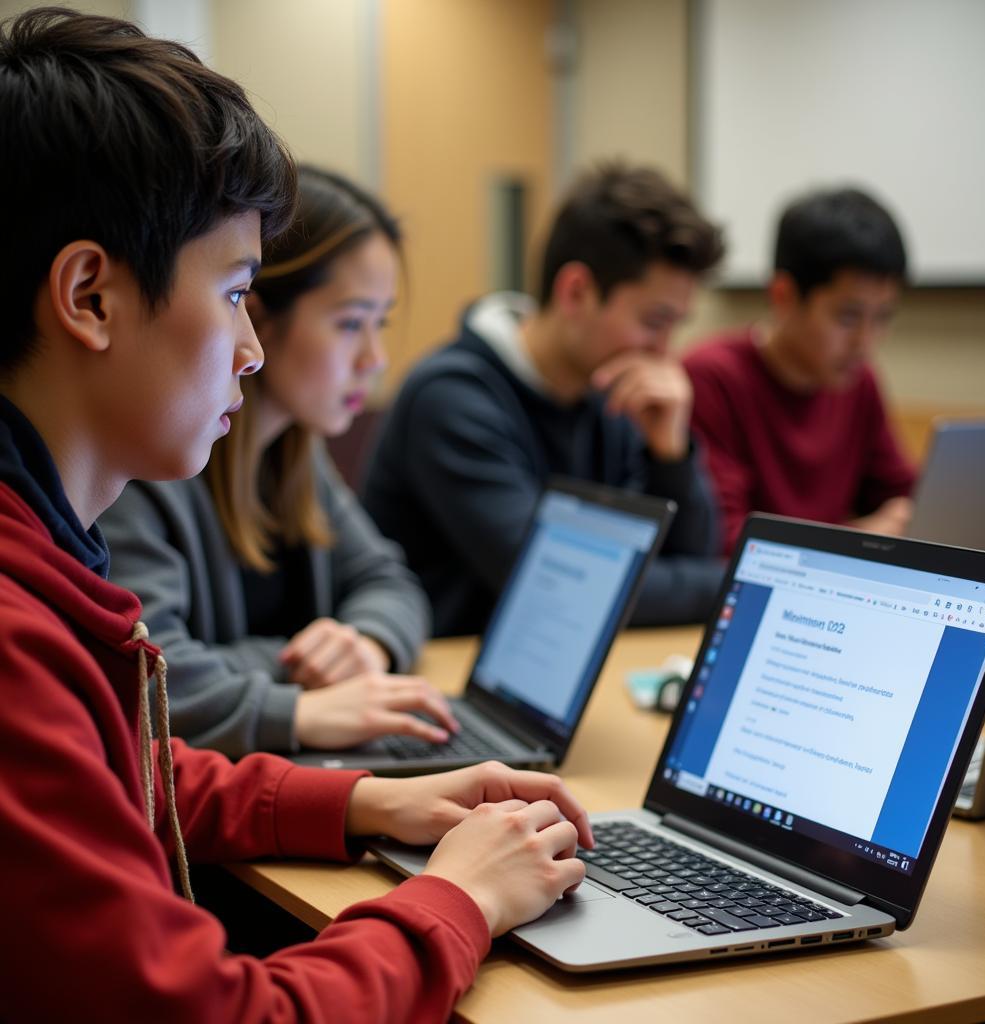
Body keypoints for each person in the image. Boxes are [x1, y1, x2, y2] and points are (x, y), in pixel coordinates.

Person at [0, 10, 591, 1021]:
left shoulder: (44, 544)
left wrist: (367, 800)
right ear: (89, 295)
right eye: (234, 292)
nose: (251, 347)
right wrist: (457, 898)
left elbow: (120, 777)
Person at [101, 166, 456, 759]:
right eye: (350, 324)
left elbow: (388, 580)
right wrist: (299, 689)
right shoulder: (145, 465)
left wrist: (364, 642)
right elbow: (152, 678)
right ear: (258, 316)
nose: (374, 359)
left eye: (380, 324)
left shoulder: (295, 454)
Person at [363, 162, 727, 637]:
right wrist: (726, 583)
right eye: (655, 322)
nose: (666, 351)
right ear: (576, 292)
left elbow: (687, 560)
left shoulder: (609, 391)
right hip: (444, 679)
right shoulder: (452, 397)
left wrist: (670, 452)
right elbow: (555, 586)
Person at [683, 187, 916, 555]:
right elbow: (723, 543)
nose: (866, 341)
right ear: (784, 296)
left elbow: (902, 493)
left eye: (883, 317)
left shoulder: (858, 381)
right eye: (848, 316)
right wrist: (859, 539)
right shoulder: (710, 378)